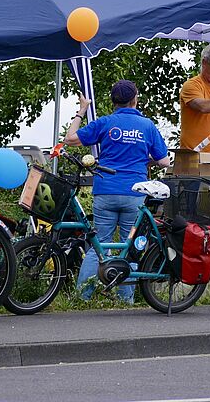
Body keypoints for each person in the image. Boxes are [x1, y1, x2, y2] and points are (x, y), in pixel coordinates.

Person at [64, 80, 170, 304]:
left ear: (113, 101)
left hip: (105, 191)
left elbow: (70, 139)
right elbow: (164, 162)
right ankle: (125, 302)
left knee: (98, 246)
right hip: (135, 194)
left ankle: (81, 299)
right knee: (129, 248)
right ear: (135, 99)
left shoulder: (105, 123)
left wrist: (81, 111)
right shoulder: (147, 126)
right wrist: (144, 162)